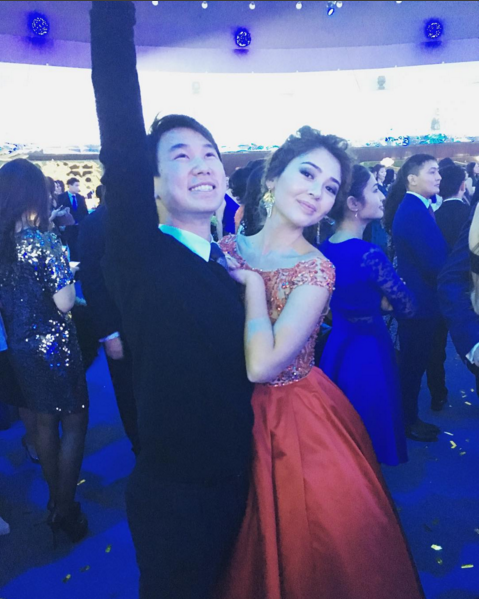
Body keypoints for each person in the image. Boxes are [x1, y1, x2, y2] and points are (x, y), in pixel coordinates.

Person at [216, 127, 424, 599]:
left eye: (330, 187)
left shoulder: (316, 269)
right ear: (273, 178)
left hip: (291, 420)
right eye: (308, 174)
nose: (317, 192)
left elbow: (263, 367)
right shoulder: (226, 249)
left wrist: (253, 287)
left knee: (309, 544)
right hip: (224, 410)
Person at [90, 3, 254, 598]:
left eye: (210, 153)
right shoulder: (142, 254)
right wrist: (113, 15)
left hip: (244, 480)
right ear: (151, 182)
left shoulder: (228, 261)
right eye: (181, 156)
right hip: (181, 501)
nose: (202, 164)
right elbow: (119, 123)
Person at [0, 159, 89, 544]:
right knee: (75, 420)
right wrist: (68, 273)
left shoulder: (3, 245)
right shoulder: (42, 242)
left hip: (19, 346)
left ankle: (57, 499)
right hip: (54, 344)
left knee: (43, 422)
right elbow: (65, 301)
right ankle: (64, 508)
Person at [320, 165, 415, 465]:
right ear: (353, 203)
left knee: (343, 427)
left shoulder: (323, 249)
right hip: (369, 349)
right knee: (370, 425)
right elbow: (408, 306)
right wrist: (383, 303)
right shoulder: (369, 255)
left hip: (337, 346)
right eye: (375, 189)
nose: (382, 195)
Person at [384, 155, 449, 440]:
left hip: (418, 300)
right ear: (411, 178)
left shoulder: (416, 207)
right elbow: (434, 263)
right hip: (419, 303)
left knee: (413, 365)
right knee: (412, 367)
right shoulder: (413, 211)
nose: (438, 177)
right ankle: (407, 422)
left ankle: (407, 418)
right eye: (432, 172)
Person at [78, 185, 140, 454]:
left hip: (160, 325)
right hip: (120, 326)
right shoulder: (95, 223)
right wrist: (109, 332)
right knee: (128, 391)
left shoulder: (157, 215)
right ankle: (140, 448)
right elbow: (92, 282)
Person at [57, 177, 89, 260]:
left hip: (79, 227)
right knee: (70, 247)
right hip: (67, 227)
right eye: (76, 185)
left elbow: (85, 212)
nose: (78, 188)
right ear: (70, 186)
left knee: (79, 247)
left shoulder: (80, 198)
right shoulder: (61, 197)